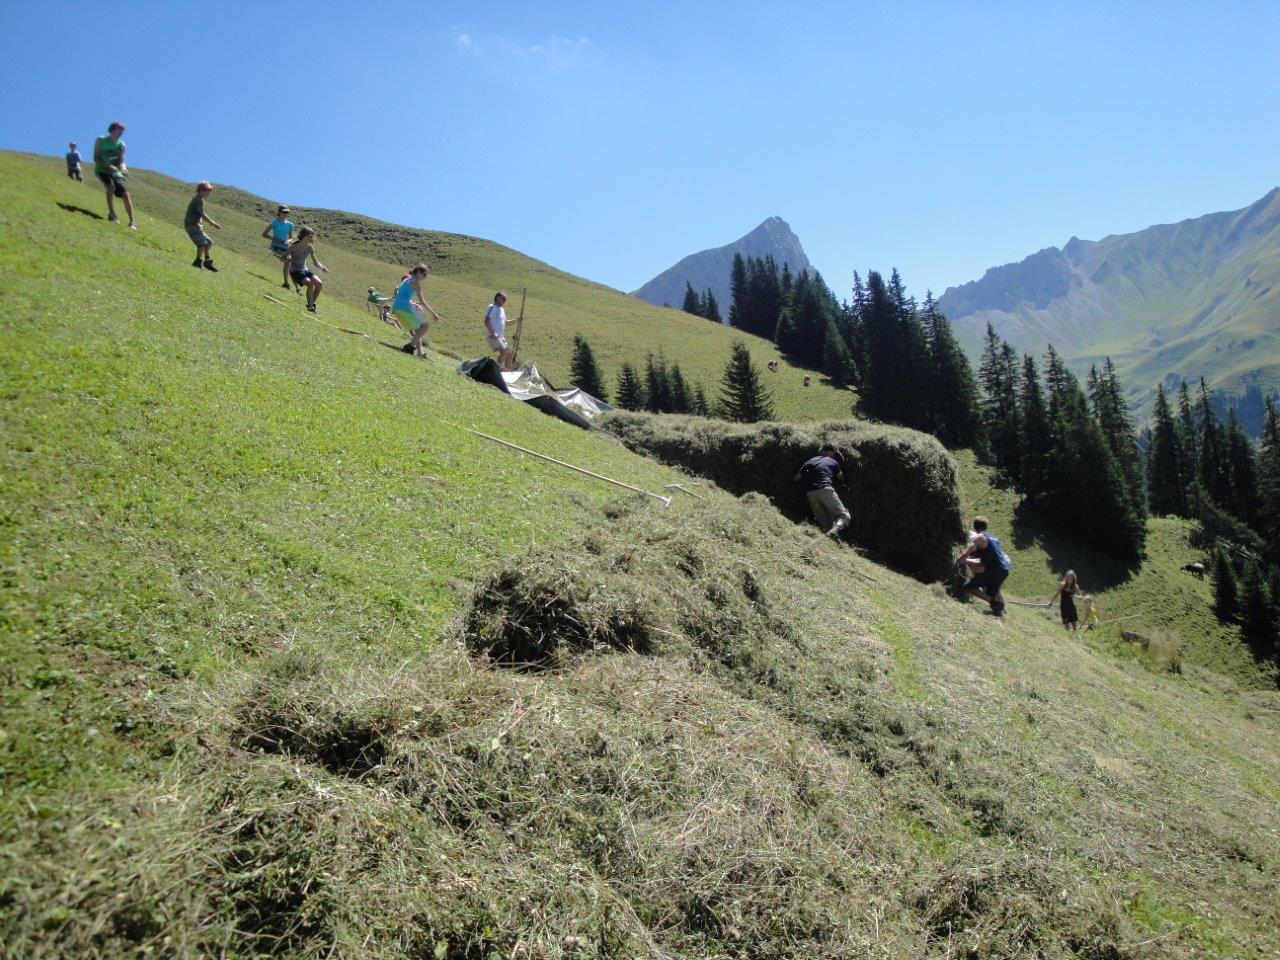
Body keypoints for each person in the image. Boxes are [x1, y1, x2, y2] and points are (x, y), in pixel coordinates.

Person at [793, 443, 851, 543]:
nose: (834, 456)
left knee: (828, 526)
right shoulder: (832, 461)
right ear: (829, 452)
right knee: (844, 515)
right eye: (834, 454)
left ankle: (835, 543)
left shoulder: (811, 461)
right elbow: (841, 477)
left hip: (811, 494)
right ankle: (836, 531)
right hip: (825, 490)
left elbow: (796, 478)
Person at [953, 516, 1010, 616]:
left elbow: (968, 550)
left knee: (969, 588)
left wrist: (958, 560)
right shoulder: (994, 538)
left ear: (975, 527)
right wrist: (966, 561)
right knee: (990, 592)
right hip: (1003, 570)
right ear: (985, 527)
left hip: (994, 570)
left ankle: (994, 603)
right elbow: (981, 562)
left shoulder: (979, 537)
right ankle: (999, 607)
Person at [93, 121, 135, 228]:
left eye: (122, 131)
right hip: (102, 170)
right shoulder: (101, 140)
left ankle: (132, 222)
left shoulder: (121, 144)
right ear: (113, 130)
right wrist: (109, 166)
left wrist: (123, 168)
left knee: (125, 194)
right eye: (119, 130)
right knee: (110, 186)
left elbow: (121, 160)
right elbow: (96, 158)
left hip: (116, 172)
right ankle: (112, 214)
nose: (121, 133)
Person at [391, 263, 440, 356]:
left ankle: (420, 352)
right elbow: (422, 301)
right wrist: (433, 314)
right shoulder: (416, 282)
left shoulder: (407, 279)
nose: (425, 277)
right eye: (424, 274)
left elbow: (397, 290)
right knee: (425, 326)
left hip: (397, 306)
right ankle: (409, 346)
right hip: (404, 307)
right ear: (418, 272)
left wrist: (412, 303)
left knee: (418, 329)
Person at [284, 227, 327, 312]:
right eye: (311, 235)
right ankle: (311, 305)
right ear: (304, 236)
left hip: (305, 270)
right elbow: (283, 257)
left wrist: (322, 267)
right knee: (310, 283)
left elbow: (315, 262)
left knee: (319, 283)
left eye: (313, 236)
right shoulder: (293, 247)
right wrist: (294, 260)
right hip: (295, 271)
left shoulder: (310, 248)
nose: (313, 238)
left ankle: (310, 304)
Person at [184, 182, 221, 271]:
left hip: (197, 227)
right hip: (192, 226)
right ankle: (197, 262)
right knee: (202, 243)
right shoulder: (198, 200)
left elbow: (201, 216)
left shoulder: (200, 200)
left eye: (209, 191)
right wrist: (212, 223)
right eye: (207, 190)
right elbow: (203, 214)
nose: (209, 193)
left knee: (209, 242)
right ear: (201, 190)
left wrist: (211, 223)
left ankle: (207, 261)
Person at [261, 205, 296, 291]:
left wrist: (289, 241)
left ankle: (287, 284)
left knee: (289, 263)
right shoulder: (274, 222)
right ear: (279, 212)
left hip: (285, 247)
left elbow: (291, 238)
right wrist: (274, 238)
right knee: (288, 261)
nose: (285, 214)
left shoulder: (290, 224)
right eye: (284, 212)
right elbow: (264, 234)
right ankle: (288, 284)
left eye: (287, 212)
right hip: (275, 247)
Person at [485, 291, 521, 370]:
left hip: (500, 337)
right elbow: (487, 320)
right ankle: (496, 372)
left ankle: (506, 373)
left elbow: (506, 323)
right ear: (497, 298)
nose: (504, 301)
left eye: (505, 299)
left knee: (509, 354)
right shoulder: (491, 307)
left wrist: (517, 320)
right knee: (504, 351)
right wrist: (492, 332)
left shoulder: (502, 310)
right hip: (492, 335)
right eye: (503, 298)